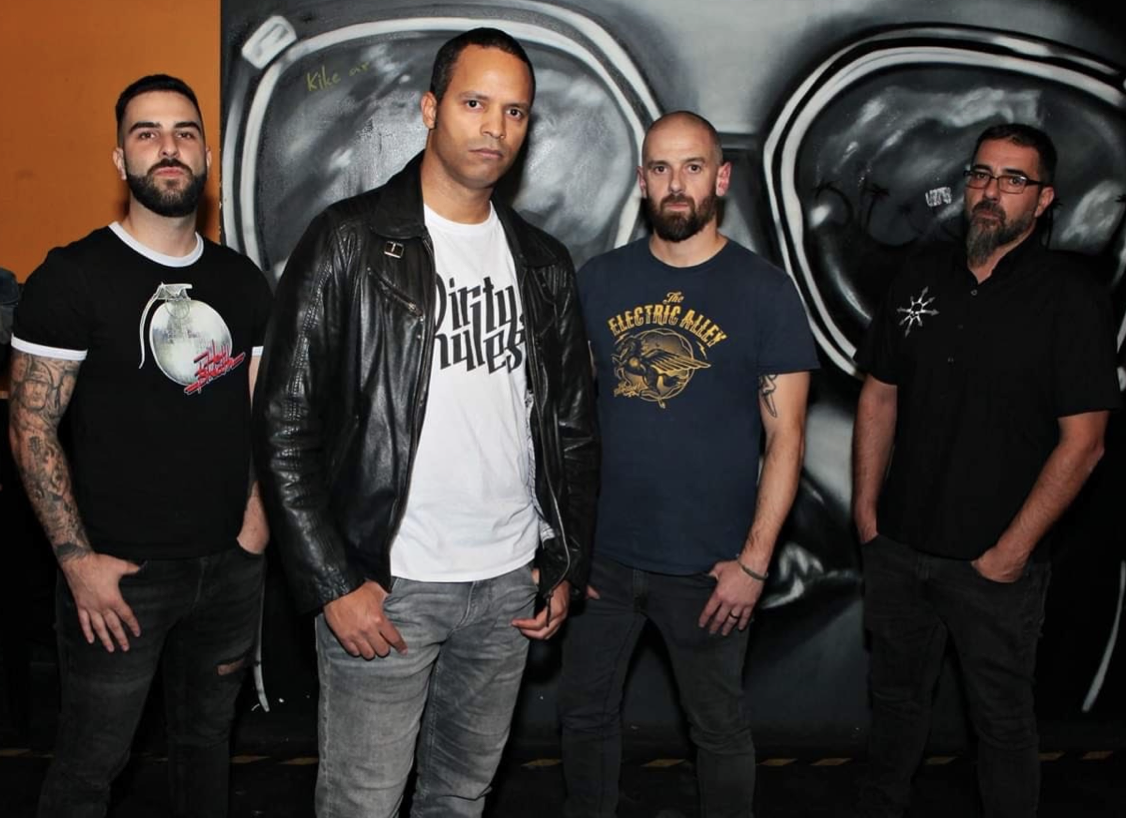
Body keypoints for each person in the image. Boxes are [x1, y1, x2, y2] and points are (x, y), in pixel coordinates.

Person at [253, 28, 598, 818]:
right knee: (363, 805)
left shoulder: (543, 262)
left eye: (515, 112)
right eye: (475, 103)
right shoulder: (348, 240)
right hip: (390, 584)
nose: (494, 128)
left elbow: (573, 426)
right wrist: (333, 582)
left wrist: (564, 561)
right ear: (431, 108)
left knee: (461, 798)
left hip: (509, 584)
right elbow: (284, 424)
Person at [8, 74, 271, 818]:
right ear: (121, 159)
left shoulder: (242, 281)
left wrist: (256, 527)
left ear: (207, 156)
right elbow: (30, 426)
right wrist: (76, 562)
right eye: (147, 133)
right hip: (119, 579)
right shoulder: (74, 276)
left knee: (206, 746)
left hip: (228, 569)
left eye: (185, 132)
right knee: (92, 765)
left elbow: (262, 415)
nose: (169, 147)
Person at [852, 123, 1121, 817]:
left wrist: (1012, 551)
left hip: (994, 568)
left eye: (1013, 180)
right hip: (898, 547)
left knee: (1001, 725)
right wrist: (867, 513)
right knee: (894, 706)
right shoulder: (921, 273)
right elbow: (879, 393)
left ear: (1045, 199)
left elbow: (1085, 442)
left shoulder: (1071, 296)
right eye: (981, 175)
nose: (991, 192)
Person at [558, 111, 819, 818]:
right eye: (662, 168)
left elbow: (787, 439)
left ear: (721, 178)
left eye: (693, 167)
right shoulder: (599, 281)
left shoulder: (765, 292)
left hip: (710, 570)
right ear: (642, 181)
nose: (677, 184)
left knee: (719, 730)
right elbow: (563, 423)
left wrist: (754, 564)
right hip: (603, 563)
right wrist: (564, 546)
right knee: (584, 718)